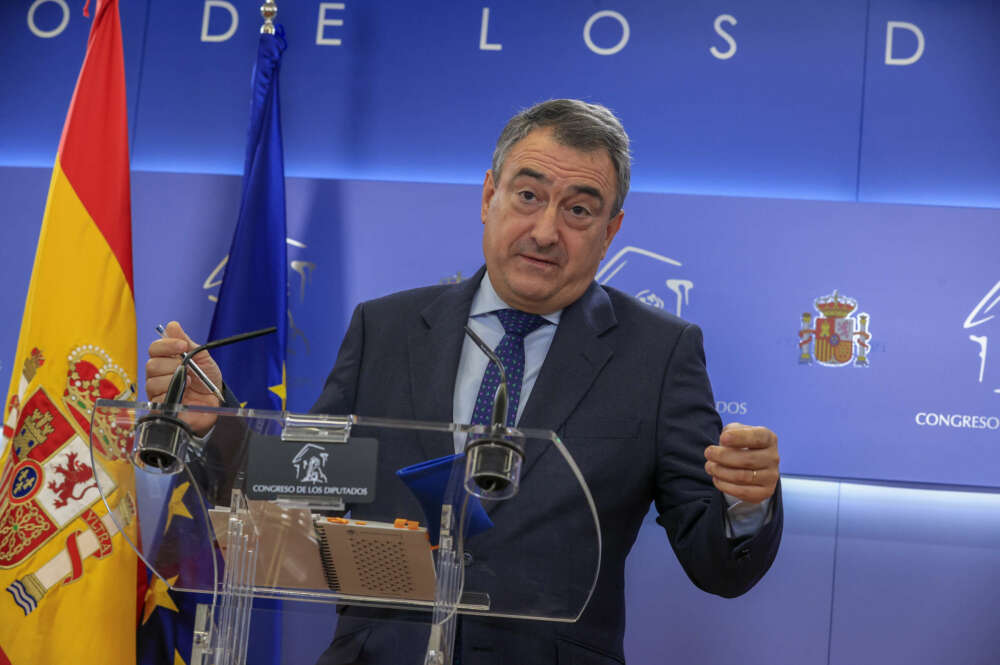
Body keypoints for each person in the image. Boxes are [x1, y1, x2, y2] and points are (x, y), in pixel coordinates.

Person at [147, 99, 782, 664]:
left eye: (579, 210)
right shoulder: (386, 327)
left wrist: (745, 502)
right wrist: (219, 424)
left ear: (611, 230)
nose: (544, 231)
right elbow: (307, 485)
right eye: (527, 196)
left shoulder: (661, 354)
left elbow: (717, 565)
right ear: (488, 197)